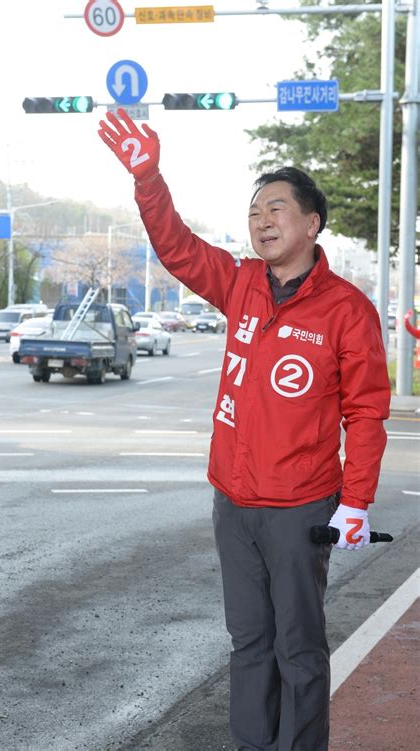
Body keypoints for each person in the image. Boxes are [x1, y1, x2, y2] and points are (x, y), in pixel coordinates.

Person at [97, 109, 391, 751]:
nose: (262, 220)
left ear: (312, 223)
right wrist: (148, 177)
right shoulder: (238, 284)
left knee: (299, 649)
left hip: (300, 505)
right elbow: (175, 246)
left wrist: (357, 501)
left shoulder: (347, 310)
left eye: (277, 209)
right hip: (233, 501)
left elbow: (366, 411)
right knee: (249, 643)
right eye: (255, 211)